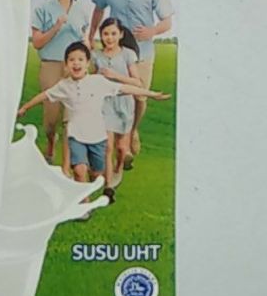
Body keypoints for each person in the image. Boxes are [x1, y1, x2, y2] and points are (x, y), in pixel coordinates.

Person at [18, 42, 171, 219]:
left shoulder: (98, 82)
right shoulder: (63, 86)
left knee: (97, 173)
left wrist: (150, 94)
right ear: (66, 64)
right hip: (76, 136)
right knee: (79, 170)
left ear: (87, 63)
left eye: (80, 59)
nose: (76, 63)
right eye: (71, 60)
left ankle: (93, 180)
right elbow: (44, 95)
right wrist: (25, 107)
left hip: (97, 137)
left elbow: (124, 88)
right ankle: (84, 205)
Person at [89, 0, 173, 162]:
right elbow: (98, 9)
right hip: (115, 54)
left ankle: (133, 130)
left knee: (139, 97)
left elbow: (167, 21)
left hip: (142, 53)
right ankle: (119, 141)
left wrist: (152, 31)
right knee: (114, 95)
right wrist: (91, 36)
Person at [31, 0, 89, 171]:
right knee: (51, 118)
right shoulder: (42, 9)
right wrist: (56, 27)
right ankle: (50, 142)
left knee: (72, 118)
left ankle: (67, 166)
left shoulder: (82, 9)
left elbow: (85, 39)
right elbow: (37, 43)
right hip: (51, 66)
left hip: (75, 68)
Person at [91, 18, 142, 177]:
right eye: (105, 34)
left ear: (120, 34)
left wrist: (115, 76)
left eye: (113, 34)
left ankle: (118, 169)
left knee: (121, 147)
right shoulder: (96, 56)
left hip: (124, 103)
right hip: (105, 104)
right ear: (101, 35)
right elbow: (92, 78)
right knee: (108, 146)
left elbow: (138, 82)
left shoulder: (128, 54)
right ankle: (108, 182)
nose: (109, 38)